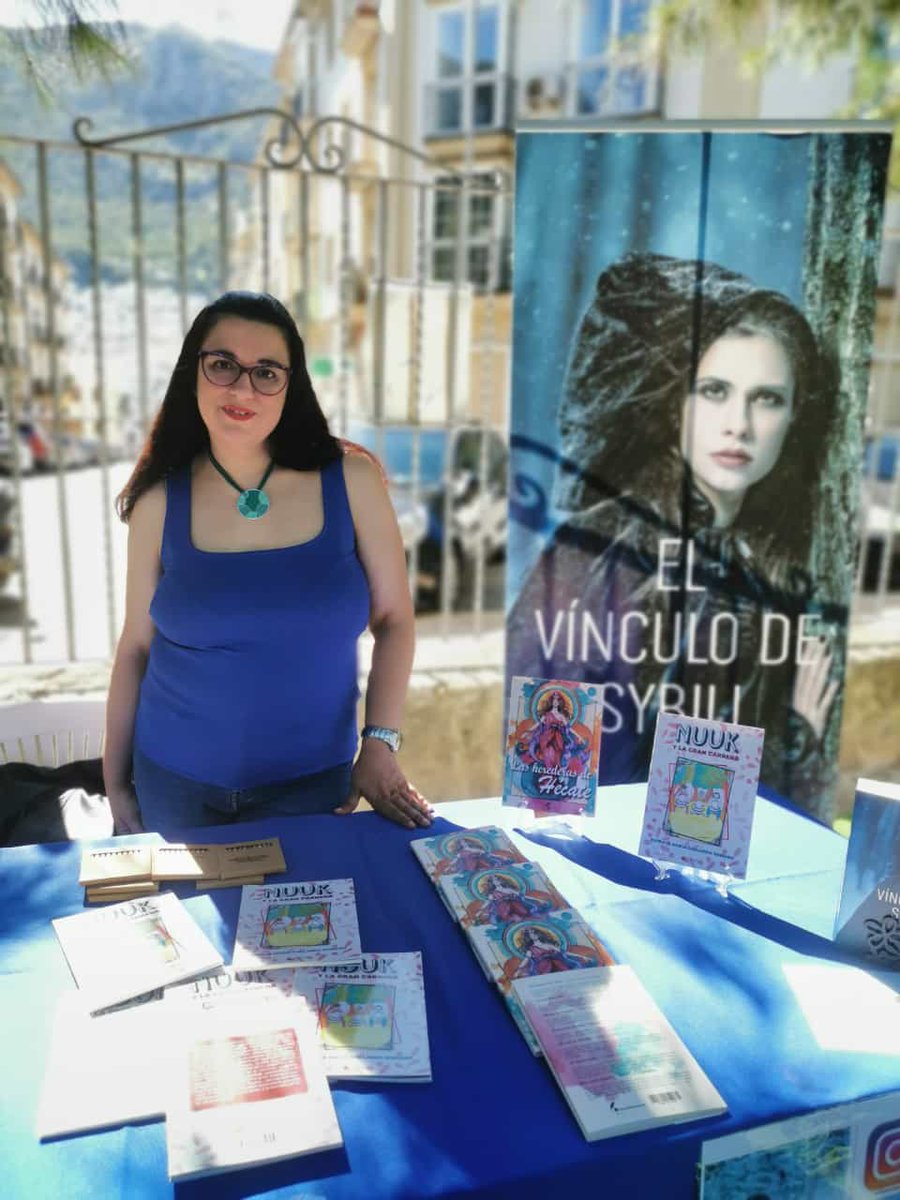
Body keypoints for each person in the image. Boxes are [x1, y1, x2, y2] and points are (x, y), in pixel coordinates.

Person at [507, 252, 840, 810]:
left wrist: (798, 738)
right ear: (674, 403)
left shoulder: (782, 565)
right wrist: (791, 734)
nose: (739, 423)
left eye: (767, 398)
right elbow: (554, 779)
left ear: (793, 417)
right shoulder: (596, 551)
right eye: (714, 390)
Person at [103, 290, 434, 834]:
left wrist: (380, 743)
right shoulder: (159, 503)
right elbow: (136, 646)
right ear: (193, 371)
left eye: (266, 372)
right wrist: (116, 784)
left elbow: (395, 619)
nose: (241, 388)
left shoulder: (351, 481)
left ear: (291, 385)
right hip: (174, 787)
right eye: (223, 365)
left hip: (312, 788)